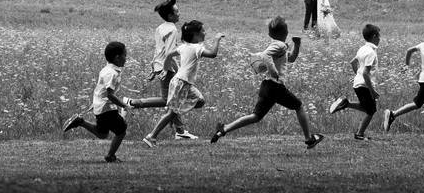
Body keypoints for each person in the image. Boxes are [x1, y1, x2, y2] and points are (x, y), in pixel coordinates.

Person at [210, 17, 324, 149]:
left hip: (267, 86)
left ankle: (224, 129)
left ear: (270, 34)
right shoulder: (279, 45)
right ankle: (309, 139)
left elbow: (291, 58)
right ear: (286, 32)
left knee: (256, 116)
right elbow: (265, 55)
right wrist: (273, 69)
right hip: (275, 86)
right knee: (298, 106)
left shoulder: (277, 45)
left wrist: (297, 45)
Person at [142, 21, 223, 147]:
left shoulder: (184, 46)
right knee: (172, 113)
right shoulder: (197, 48)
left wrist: (165, 69)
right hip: (181, 83)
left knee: (200, 100)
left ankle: (173, 107)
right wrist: (217, 40)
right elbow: (213, 54)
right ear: (195, 35)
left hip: (181, 82)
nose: (205, 32)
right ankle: (151, 136)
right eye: (203, 30)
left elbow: (168, 54)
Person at [125, 0, 196, 139]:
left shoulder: (160, 28)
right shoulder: (173, 30)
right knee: (168, 100)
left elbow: (158, 50)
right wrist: (175, 70)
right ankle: (131, 103)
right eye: (177, 11)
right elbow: (169, 54)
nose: (179, 13)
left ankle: (180, 131)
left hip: (160, 66)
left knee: (172, 99)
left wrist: (154, 68)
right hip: (167, 68)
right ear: (170, 15)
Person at [62, 41, 130, 163]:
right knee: (121, 130)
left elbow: (100, 89)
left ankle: (80, 122)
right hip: (106, 108)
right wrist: (124, 105)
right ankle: (110, 156)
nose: (126, 58)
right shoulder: (112, 73)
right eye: (125, 55)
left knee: (102, 134)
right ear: (117, 57)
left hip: (100, 106)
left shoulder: (106, 69)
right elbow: (110, 95)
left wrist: (95, 102)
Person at [328, 23, 381, 140]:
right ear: (374, 36)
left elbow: (353, 62)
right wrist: (372, 90)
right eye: (379, 36)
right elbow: (366, 73)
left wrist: (357, 75)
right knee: (371, 110)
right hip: (365, 85)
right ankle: (359, 134)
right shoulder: (371, 52)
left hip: (358, 84)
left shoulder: (362, 48)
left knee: (367, 107)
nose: (380, 39)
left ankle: (346, 104)